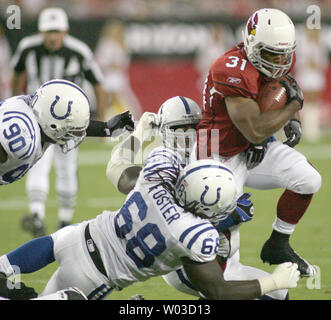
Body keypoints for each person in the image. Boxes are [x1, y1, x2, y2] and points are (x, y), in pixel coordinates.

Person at [0, 152, 300, 300]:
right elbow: (218, 290)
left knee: (49, 244)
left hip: (78, 235)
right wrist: (273, 282)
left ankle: (3, 268)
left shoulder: (155, 176)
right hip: (95, 276)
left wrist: (136, 137)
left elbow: (123, 173)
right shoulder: (195, 236)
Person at [107, 96, 289, 300]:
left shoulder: (215, 152)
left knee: (280, 294)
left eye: (193, 128)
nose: (188, 137)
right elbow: (176, 224)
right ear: (164, 131)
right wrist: (228, 217)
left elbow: (251, 129)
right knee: (265, 294)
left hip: (225, 259)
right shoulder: (162, 166)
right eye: (180, 130)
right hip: (187, 261)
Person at [196, 8, 322, 277]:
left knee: (308, 178)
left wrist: (293, 118)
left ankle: (279, 243)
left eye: (284, 53)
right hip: (219, 154)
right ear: (252, 45)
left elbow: (278, 88)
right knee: (225, 259)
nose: (279, 60)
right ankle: (208, 284)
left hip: (252, 149)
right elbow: (253, 129)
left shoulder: (276, 57)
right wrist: (292, 109)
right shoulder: (231, 67)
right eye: (271, 53)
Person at [10, 7, 109, 236]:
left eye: (56, 31)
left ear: (65, 31)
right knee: (35, 160)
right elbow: (16, 76)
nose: (52, 37)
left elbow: (99, 84)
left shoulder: (79, 51)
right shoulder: (28, 47)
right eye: (48, 32)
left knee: (67, 165)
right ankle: (37, 214)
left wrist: (102, 117)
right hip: (36, 116)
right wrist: (16, 103)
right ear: (41, 31)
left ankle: (65, 219)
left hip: (69, 119)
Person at [0, 78, 134, 187]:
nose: (74, 135)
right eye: (70, 131)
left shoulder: (37, 109)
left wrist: (106, 128)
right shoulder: (21, 138)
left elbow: (66, 124)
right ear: (52, 125)